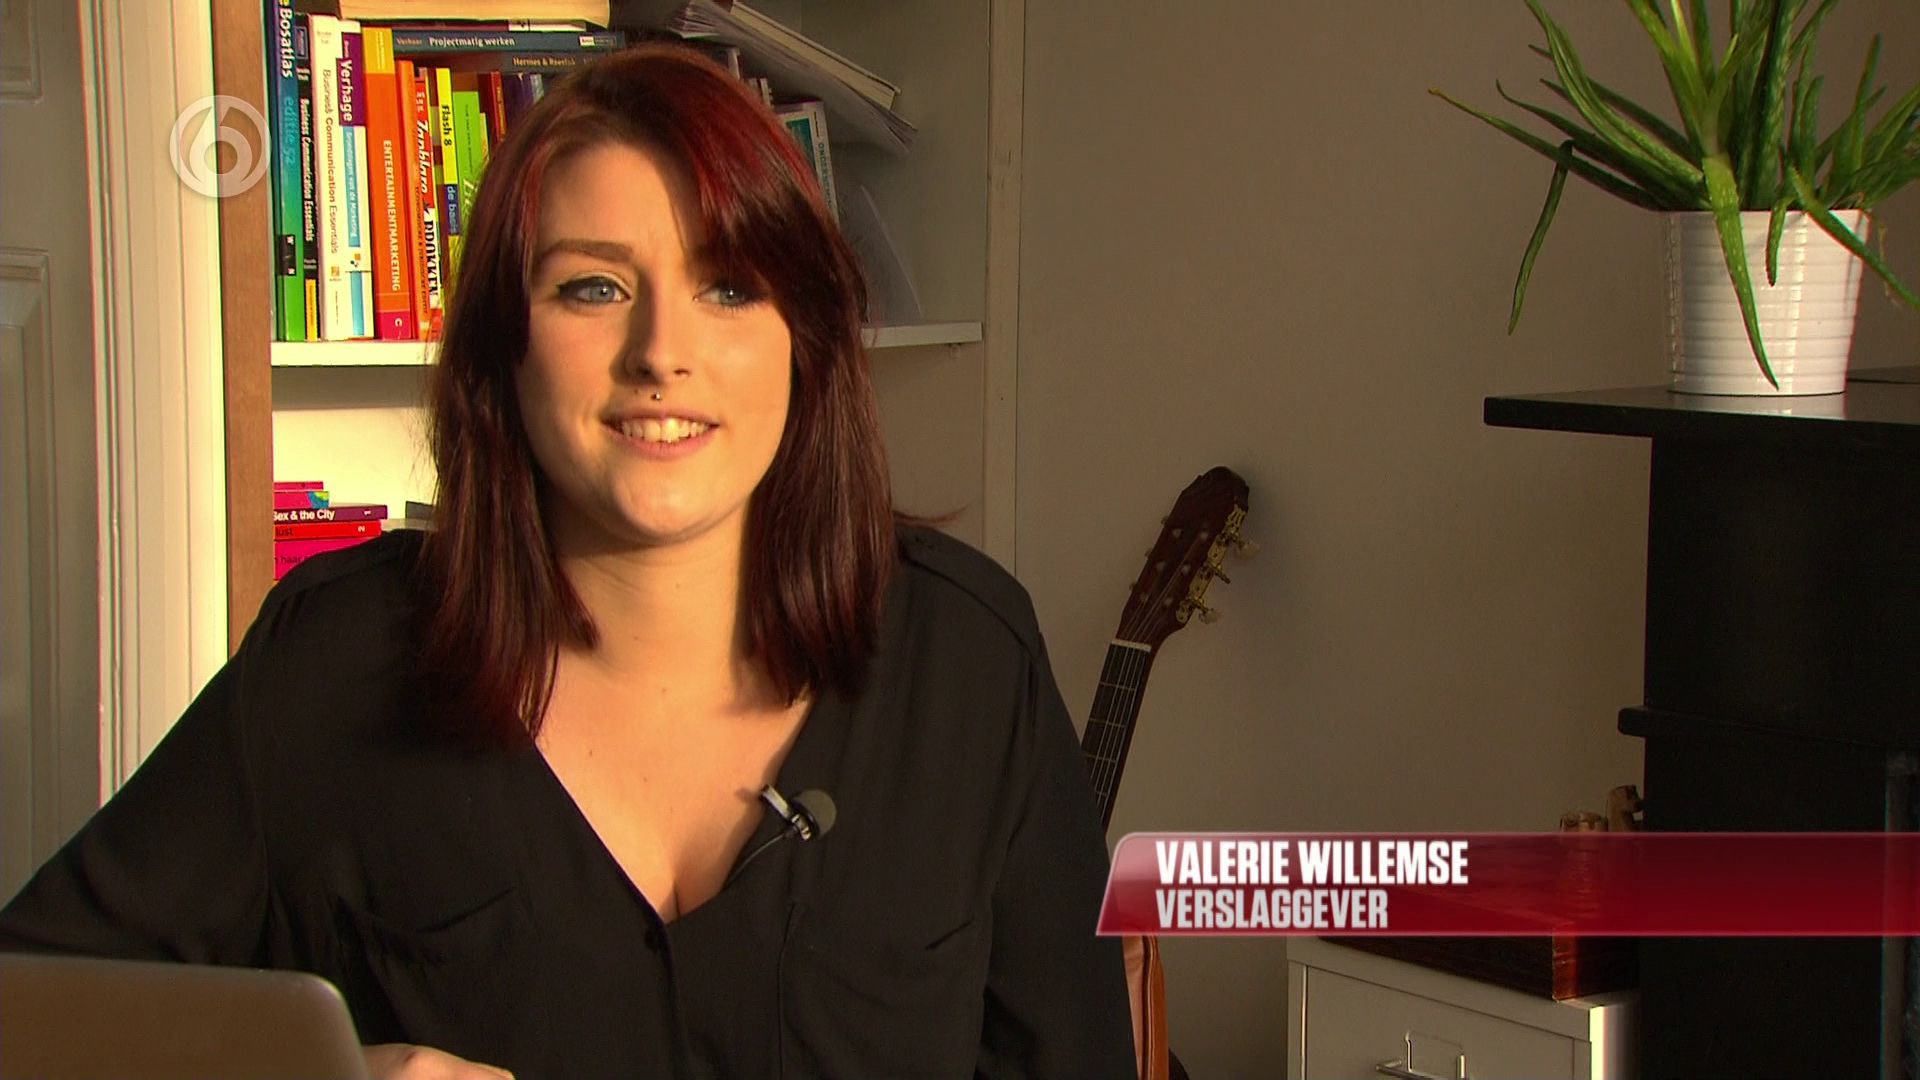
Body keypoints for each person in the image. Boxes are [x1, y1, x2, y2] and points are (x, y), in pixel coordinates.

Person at [0, 44, 1135, 1079]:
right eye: (594, 288)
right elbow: (32, 1023)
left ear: (806, 341)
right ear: (506, 342)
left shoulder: (968, 660)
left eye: (729, 287)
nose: (662, 353)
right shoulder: (335, 662)